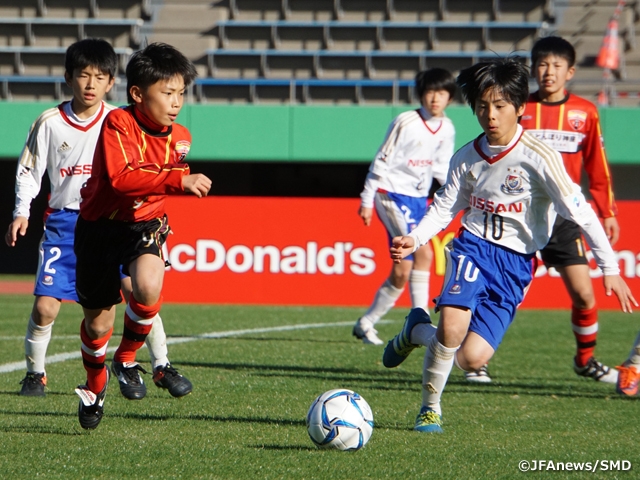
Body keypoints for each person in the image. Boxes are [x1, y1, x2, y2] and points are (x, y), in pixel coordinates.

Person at [382, 57, 637, 433]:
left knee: (471, 358)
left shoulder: (541, 158)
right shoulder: (466, 158)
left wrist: (610, 268)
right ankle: (429, 409)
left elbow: (582, 214)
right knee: (452, 329)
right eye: (482, 107)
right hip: (473, 247)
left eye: (500, 106)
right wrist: (415, 237)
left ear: (520, 108)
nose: (491, 115)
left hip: (516, 264)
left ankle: (414, 329)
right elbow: (444, 209)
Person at [4, 39, 191, 400]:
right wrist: (20, 211)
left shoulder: (122, 119)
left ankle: (159, 363)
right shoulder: (50, 122)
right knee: (47, 308)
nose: (91, 84)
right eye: (83, 75)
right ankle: (35, 373)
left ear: (111, 83)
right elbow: (29, 170)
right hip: (66, 221)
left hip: (121, 221)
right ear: (68, 78)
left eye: (100, 76)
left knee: (141, 287)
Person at [465, 36, 622, 384]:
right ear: (533, 69)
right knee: (494, 288)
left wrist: (607, 211)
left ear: (570, 72)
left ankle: (585, 361)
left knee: (584, 294)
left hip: (564, 219)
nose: (548, 72)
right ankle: (477, 361)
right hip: (516, 216)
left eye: (556, 65)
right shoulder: (514, 105)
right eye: (541, 64)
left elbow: (598, 166)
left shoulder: (585, 112)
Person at [73, 42, 212, 429]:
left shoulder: (180, 136)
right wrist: (178, 180)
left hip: (143, 224)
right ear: (137, 94)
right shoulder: (118, 123)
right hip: (99, 228)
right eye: (167, 93)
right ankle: (95, 385)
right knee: (98, 325)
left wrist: (174, 182)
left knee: (149, 286)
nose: (176, 102)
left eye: (181, 93)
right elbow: (121, 179)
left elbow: (155, 187)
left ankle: (127, 358)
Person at [352, 68, 456, 345]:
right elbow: (381, 159)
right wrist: (366, 198)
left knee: (402, 270)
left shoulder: (447, 128)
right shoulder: (406, 121)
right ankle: (419, 318)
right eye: (431, 91)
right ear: (421, 93)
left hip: (419, 199)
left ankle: (366, 322)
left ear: (450, 97)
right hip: (390, 194)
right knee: (423, 253)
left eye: (442, 92)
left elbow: (442, 168)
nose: (436, 98)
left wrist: (456, 197)